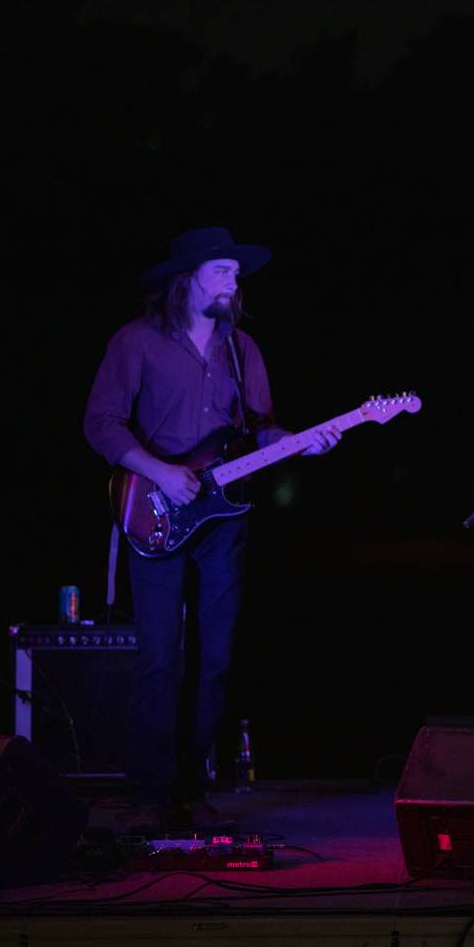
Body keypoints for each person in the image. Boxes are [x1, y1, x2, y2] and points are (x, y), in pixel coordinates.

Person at [84, 227, 341, 829]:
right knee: (158, 656)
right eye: (222, 271)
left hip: (224, 516)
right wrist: (162, 473)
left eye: (235, 273)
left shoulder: (241, 349)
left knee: (216, 655)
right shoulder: (137, 341)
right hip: (153, 508)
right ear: (188, 278)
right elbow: (101, 424)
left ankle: (192, 786)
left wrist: (302, 444)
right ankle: (149, 794)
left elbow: (262, 429)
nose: (233, 282)